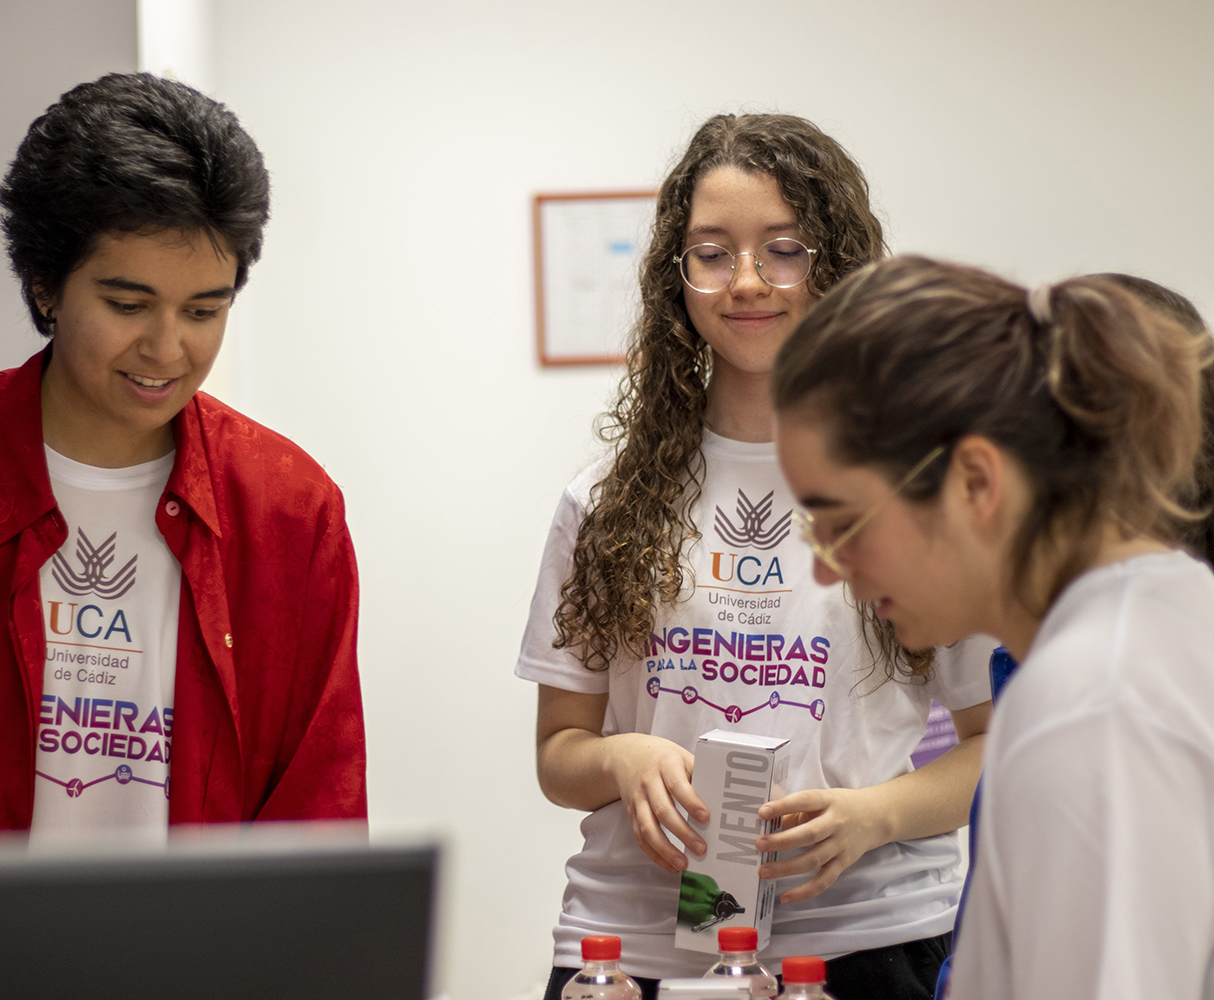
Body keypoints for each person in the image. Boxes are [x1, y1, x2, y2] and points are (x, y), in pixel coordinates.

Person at [0, 73, 366, 842]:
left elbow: (317, 811)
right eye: (127, 304)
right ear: (46, 285)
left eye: (204, 310)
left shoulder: (289, 511)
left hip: (200, 959)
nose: (166, 347)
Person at [515, 114, 993, 1000]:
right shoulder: (605, 500)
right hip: (632, 953)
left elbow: (995, 747)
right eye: (712, 252)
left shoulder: (918, 485)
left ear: (836, 264)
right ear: (677, 276)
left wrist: (874, 816)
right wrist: (621, 760)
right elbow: (559, 754)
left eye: (784, 249)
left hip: (866, 941)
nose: (746, 283)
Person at [769, 256, 1214, 998]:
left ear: (975, 481)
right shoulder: (1171, 615)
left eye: (842, 524)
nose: (826, 571)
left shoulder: (1089, 705)